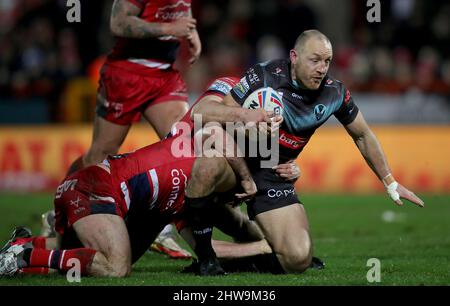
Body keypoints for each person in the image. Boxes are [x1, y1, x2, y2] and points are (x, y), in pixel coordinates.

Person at [191, 29, 425, 273]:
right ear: (294, 56)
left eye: (327, 61)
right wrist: (248, 119)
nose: (322, 68)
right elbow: (209, 114)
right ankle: (206, 258)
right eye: (315, 60)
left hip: (274, 173)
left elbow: (363, 134)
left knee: (299, 258)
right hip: (237, 163)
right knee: (207, 164)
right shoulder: (265, 75)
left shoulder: (334, 93)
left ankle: (259, 250)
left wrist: (389, 181)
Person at [47, 0, 203, 259]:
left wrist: (190, 32)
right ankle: (63, 210)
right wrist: (169, 27)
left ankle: (161, 225)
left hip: (163, 75)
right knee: (100, 154)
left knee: (184, 146)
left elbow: (180, 8)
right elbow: (118, 23)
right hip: (127, 74)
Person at [0, 129, 256, 277]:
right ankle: (24, 257)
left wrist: (264, 246)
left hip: (89, 187)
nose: (234, 202)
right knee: (117, 266)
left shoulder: (190, 192)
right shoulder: (198, 167)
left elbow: (204, 248)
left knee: (80, 251)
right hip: (94, 187)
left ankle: (24, 243)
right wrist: (266, 247)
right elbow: (213, 131)